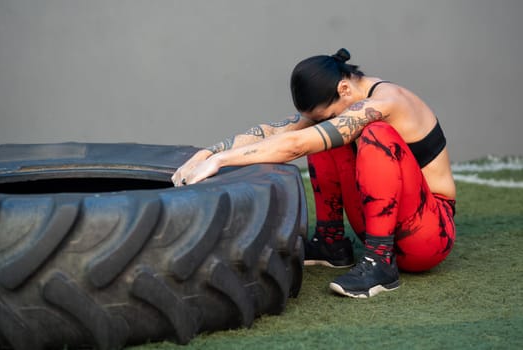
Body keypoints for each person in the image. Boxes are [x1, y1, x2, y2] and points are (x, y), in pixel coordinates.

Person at [172, 48, 456, 298]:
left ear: (344, 89)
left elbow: (296, 146)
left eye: (325, 112)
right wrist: (208, 153)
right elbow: (276, 132)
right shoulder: (344, 100)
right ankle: (331, 242)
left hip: (427, 237)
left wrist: (223, 161)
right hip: (384, 224)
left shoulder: (388, 102)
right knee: (323, 131)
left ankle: (380, 263)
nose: (323, 119)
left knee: (370, 133)